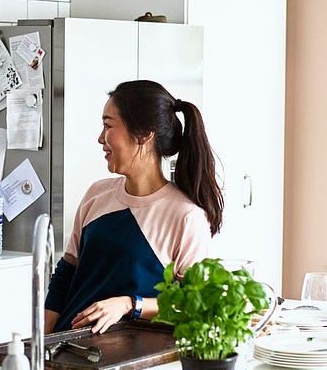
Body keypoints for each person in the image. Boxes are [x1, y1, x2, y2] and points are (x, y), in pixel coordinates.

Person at [44, 80, 224, 333]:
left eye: (108, 125)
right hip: (67, 344)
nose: (100, 138)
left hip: (128, 352)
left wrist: (129, 304)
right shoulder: (97, 193)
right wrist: (43, 340)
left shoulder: (186, 216)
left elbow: (192, 303)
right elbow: (66, 272)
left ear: (144, 134)